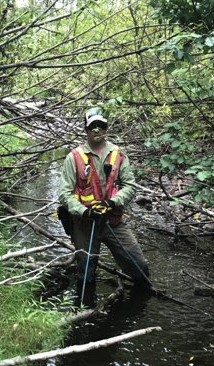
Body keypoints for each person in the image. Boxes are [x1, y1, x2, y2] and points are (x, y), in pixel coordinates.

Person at [58, 108, 151, 290]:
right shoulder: (74, 157)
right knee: (86, 274)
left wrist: (111, 203)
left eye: (101, 126)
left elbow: (130, 186)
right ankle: (85, 308)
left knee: (139, 265)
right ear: (86, 129)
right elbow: (64, 194)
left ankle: (140, 299)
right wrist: (85, 211)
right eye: (93, 126)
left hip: (112, 221)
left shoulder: (119, 155)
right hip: (84, 224)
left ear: (107, 128)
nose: (97, 130)